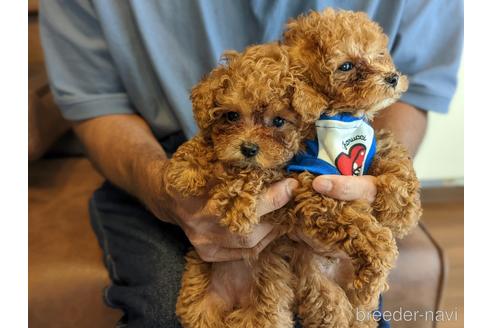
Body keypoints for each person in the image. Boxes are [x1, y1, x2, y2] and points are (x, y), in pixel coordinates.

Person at [39, 1, 463, 327]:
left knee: (342, 308)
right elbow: (96, 104)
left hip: (328, 153)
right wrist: (165, 189)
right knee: (168, 308)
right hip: (158, 151)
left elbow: (413, 90)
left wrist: (368, 175)